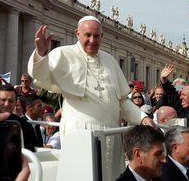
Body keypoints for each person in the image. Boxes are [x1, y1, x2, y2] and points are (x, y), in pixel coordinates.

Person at [28, 15, 153, 180]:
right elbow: (40, 75)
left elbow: (122, 101)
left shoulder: (110, 60)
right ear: (77, 34)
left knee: (111, 176)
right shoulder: (64, 54)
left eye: (96, 36)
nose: (92, 40)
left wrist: (143, 118)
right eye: (87, 35)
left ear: (102, 37)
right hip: (81, 134)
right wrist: (41, 53)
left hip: (112, 135)